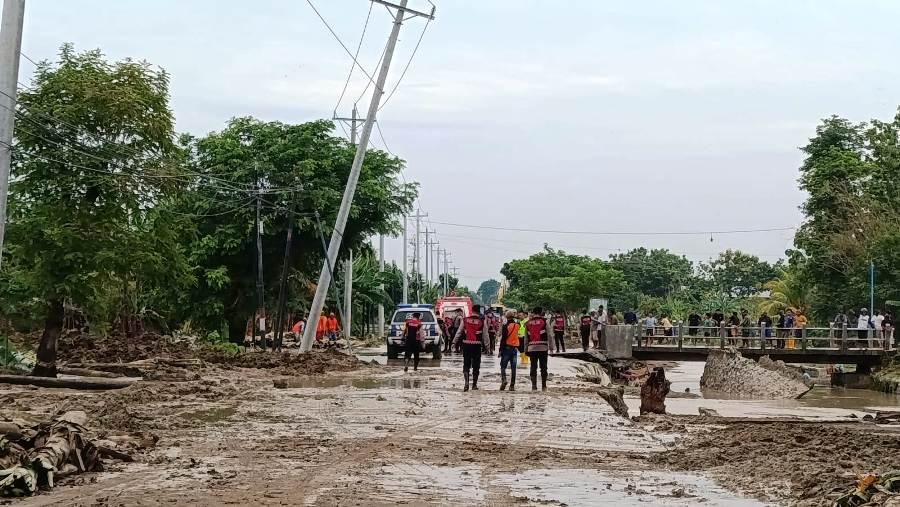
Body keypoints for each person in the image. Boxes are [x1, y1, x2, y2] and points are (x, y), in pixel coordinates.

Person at [453, 304, 489, 391]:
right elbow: (485, 334)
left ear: (472, 311)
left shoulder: (465, 320)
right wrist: (487, 346)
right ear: (479, 311)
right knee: (476, 365)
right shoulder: (482, 321)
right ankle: (474, 385)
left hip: (466, 345)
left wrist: (454, 342)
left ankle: (466, 383)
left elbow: (459, 332)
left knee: (466, 364)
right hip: (477, 345)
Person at [525, 307, 552, 391]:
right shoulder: (544, 321)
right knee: (543, 367)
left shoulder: (528, 323)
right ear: (541, 312)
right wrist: (551, 347)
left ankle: (534, 386)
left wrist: (526, 349)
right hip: (543, 348)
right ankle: (544, 386)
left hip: (532, 348)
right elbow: (549, 335)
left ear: (533, 312)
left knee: (533, 366)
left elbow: (526, 338)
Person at [499, 311, 520, 391]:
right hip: (514, 349)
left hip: (506, 348)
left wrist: (500, 350)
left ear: (506, 317)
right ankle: (512, 385)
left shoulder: (505, 326)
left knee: (503, 366)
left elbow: (503, 339)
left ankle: (504, 380)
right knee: (513, 368)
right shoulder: (517, 325)